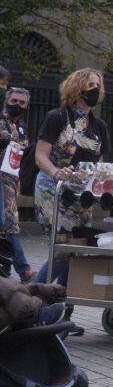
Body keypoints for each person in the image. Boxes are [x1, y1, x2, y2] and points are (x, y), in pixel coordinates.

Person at [34, 69, 109, 289]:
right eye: (91, 85)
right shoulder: (57, 117)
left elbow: (101, 163)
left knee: (78, 250)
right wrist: (56, 172)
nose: (96, 89)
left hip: (81, 195)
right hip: (52, 190)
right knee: (62, 250)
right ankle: (33, 299)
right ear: (78, 88)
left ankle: (63, 305)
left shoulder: (99, 126)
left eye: (98, 86)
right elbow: (40, 156)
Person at [0, 87, 35, 281]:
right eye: (14, 101)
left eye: (22, 103)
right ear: (6, 100)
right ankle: (24, 270)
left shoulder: (22, 127)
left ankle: (5, 266)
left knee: (4, 224)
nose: (17, 105)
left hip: (12, 182)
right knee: (9, 224)